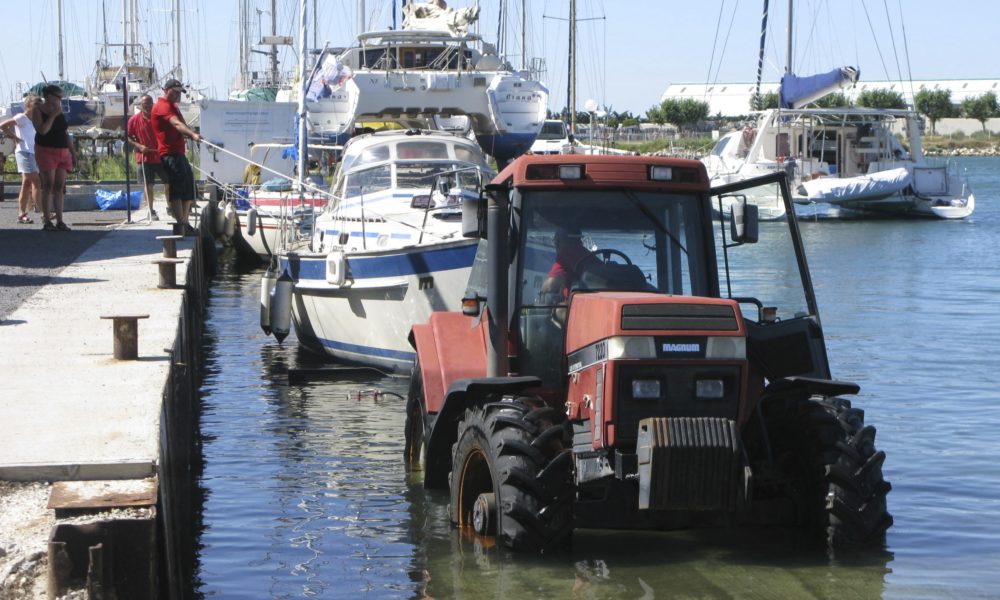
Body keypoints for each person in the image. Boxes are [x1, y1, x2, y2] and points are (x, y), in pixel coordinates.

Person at [151, 78, 201, 234]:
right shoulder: (162, 106)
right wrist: (193, 134)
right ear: (167, 90)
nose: (178, 95)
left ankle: (185, 222)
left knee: (189, 187)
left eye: (180, 92)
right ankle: (181, 223)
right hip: (169, 153)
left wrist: (193, 134)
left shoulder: (173, 107)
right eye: (175, 92)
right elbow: (177, 124)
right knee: (177, 189)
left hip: (178, 152)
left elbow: (182, 124)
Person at [30, 84, 77, 231]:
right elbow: (42, 130)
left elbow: (65, 132)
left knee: (59, 186)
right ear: (49, 96)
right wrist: (52, 116)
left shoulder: (59, 111)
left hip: (62, 150)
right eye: (58, 97)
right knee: (48, 184)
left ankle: (60, 221)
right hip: (46, 149)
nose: (60, 100)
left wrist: (73, 152)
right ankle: (47, 220)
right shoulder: (38, 110)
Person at [0, 96, 43, 224]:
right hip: (24, 152)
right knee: (36, 181)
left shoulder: (34, 120)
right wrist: (15, 138)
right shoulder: (22, 117)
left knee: (26, 184)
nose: (39, 108)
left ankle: (21, 213)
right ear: (29, 105)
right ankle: (43, 212)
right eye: (36, 105)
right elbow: (3, 126)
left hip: (32, 152)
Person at [127, 94, 170, 221]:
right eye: (145, 104)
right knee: (148, 185)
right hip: (144, 157)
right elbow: (128, 137)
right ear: (140, 105)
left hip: (161, 155)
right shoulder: (133, 120)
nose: (147, 107)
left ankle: (170, 206)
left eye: (150, 104)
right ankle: (150, 210)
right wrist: (139, 146)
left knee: (169, 182)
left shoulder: (158, 118)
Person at [540, 227, 599, 299]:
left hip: (578, 304)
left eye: (555, 241)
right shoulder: (589, 256)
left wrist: (542, 291)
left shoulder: (565, 254)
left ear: (558, 241)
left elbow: (550, 286)